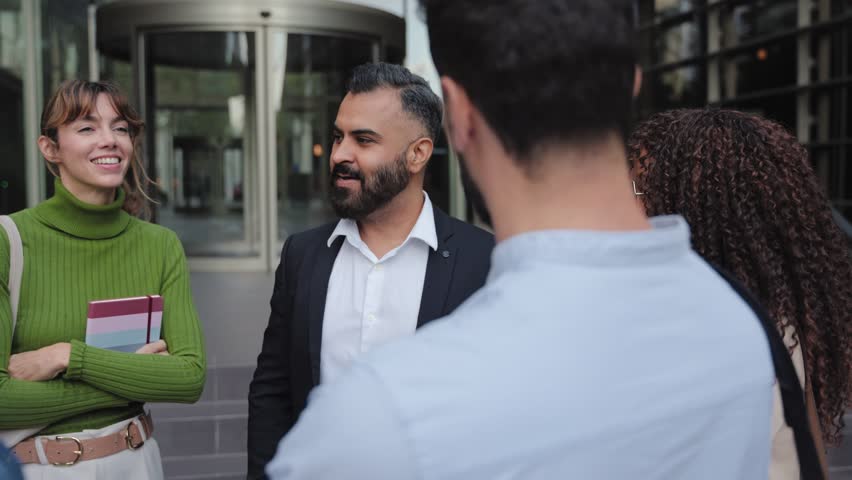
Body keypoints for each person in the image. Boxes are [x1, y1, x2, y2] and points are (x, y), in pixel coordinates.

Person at [265, 1, 774, 479]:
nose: (339, 154)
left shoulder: (378, 415)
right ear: (633, 85)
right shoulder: (746, 330)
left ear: (459, 116)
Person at [247, 62, 494, 478]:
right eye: (338, 136)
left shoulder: (482, 261)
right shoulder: (302, 256)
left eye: (363, 140)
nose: (340, 154)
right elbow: (273, 391)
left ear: (417, 153)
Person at [628, 108, 852, 479]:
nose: (627, 208)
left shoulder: (726, 344)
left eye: (636, 190)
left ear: (693, 209)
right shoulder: (772, 325)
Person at [0, 80, 205, 478]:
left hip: (137, 463)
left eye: (121, 128)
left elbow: (189, 378)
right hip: (39, 468)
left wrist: (66, 357)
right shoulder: (9, 241)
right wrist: (131, 375)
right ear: (50, 148)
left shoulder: (160, 245)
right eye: (87, 128)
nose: (109, 140)